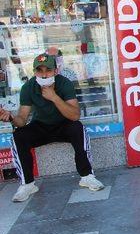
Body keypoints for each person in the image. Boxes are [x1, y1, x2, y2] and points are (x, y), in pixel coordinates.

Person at [0, 53, 104, 202]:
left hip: (63, 124)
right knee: (19, 135)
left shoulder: (64, 83)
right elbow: (22, 119)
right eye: (39, 71)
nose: (43, 75)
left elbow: (75, 115)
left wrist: (54, 97)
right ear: (34, 72)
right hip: (41, 126)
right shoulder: (28, 87)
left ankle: (87, 176)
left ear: (55, 71)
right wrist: (10, 117)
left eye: (48, 70)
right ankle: (27, 184)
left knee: (78, 128)